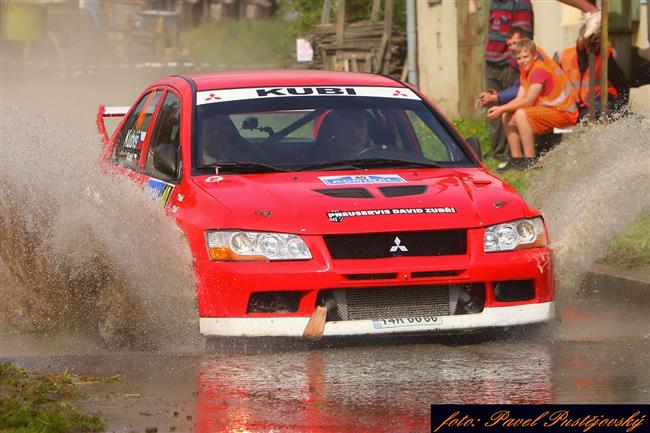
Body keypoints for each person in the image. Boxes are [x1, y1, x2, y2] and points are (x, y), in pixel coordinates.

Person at [487, 39, 579, 170]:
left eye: (525, 57)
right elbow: (520, 97)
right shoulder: (525, 71)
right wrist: (502, 110)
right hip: (549, 110)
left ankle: (530, 160)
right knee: (507, 114)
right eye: (519, 58)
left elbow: (528, 101)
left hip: (565, 113)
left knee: (520, 114)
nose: (522, 61)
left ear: (534, 56)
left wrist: (500, 108)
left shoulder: (538, 70)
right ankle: (516, 159)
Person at [484, 0, 534, 161]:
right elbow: (490, 31)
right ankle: (497, 153)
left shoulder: (520, 3)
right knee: (493, 106)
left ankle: (511, 154)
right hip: (492, 61)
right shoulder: (494, 3)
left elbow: (524, 38)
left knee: (508, 106)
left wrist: (515, 62)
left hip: (508, 64)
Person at [559, 26, 630, 120]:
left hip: (602, 100)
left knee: (590, 113)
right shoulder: (565, 56)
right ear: (582, 40)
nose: (593, 47)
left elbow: (622, 84)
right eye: (591, 42)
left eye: (597, 43)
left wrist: (621, 108)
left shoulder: (604, 57)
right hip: (578, 106)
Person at [200, 115, 271, 164]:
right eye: (211, 128)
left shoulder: (239, 151)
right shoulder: (196, 161)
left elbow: (267, 162)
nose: (218, 133)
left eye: (224, 127)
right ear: (199, 131)